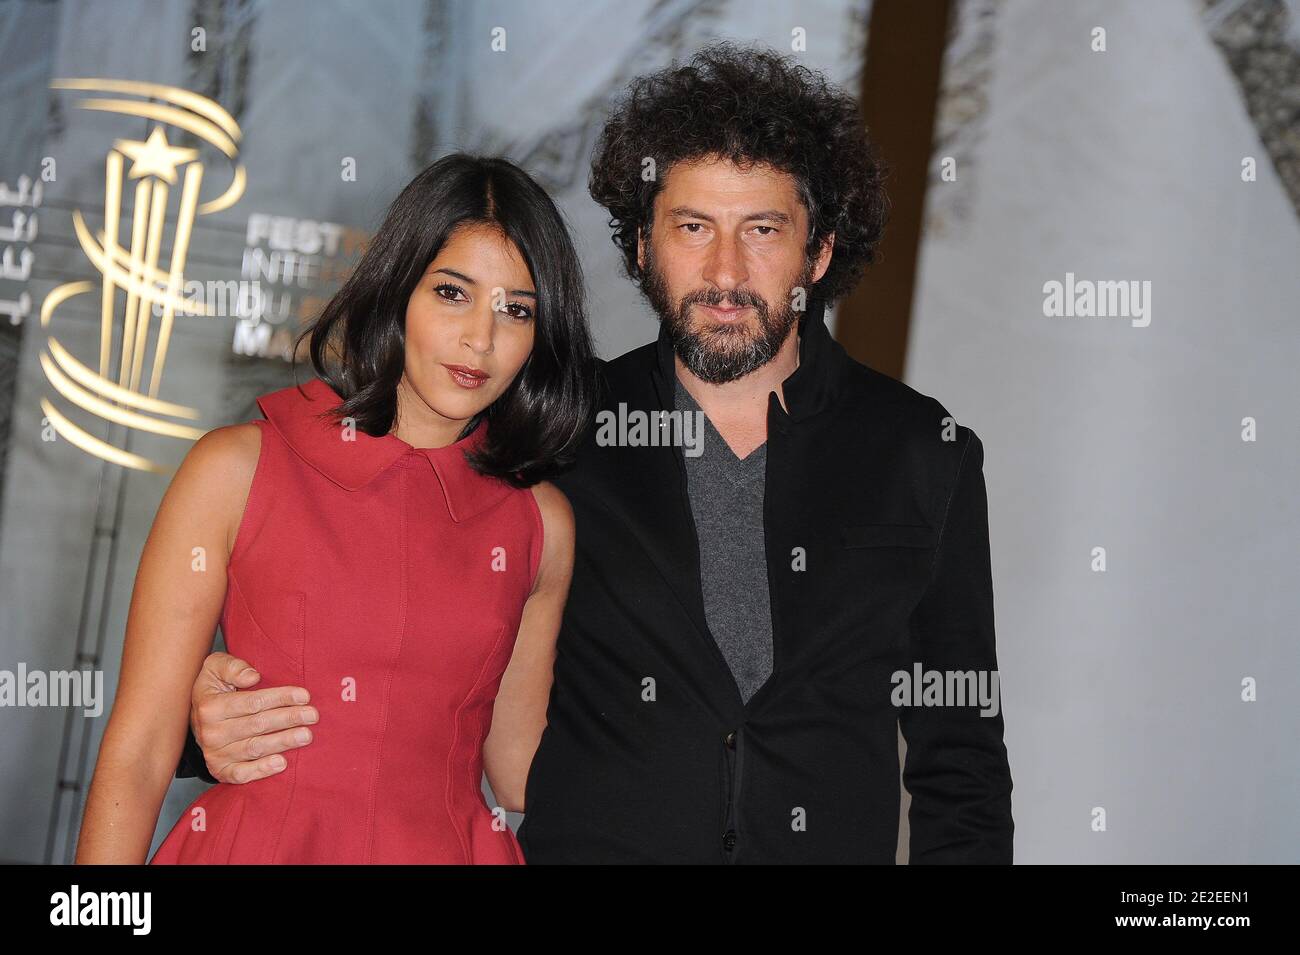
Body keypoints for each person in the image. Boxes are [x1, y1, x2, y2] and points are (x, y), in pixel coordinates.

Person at [177, 41, 1013, 863]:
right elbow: (374, 608)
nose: (725, 270)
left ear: (819, 251)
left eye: (762, 229)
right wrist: (205, 716)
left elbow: (962, 769)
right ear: (644, 248)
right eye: (692, 227)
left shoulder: (923, 455)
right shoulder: (551, 432)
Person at [74, 153, 595, 864]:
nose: (482, 337)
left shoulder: (541, 525)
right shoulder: (237, 467)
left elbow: (522, 769)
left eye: (517, 309)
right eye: (451, 292)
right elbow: (137, 753)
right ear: (398, 288)